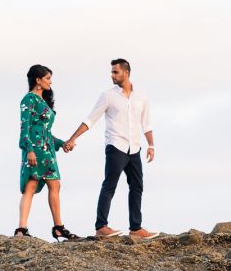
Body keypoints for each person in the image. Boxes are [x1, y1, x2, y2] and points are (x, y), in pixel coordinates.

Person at [64, 59, 160, 240]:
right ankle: (101, 226)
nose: (112, 75)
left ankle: (136, 228)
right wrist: (73, 138)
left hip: (135, 148)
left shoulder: (142, 95)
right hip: (116, 146)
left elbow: (146, 123)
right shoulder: (107, 96)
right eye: (112, 72)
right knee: (110, 185)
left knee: (137, 186)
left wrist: (151, 146)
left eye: (115, 72)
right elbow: (91, 119)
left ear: (126, 72)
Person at [15, 64, 79, 241]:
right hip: (34, 149)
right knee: (31, 185)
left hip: (47, 150)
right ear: (38, 80)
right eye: (48, 78)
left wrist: (62, 144)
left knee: (55, 185)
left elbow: (45, 132)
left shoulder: (44, 102)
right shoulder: (28, 100)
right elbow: (25, 128)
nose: (50, 82)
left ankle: (58, 227)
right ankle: (21, 228)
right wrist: (28, 150)